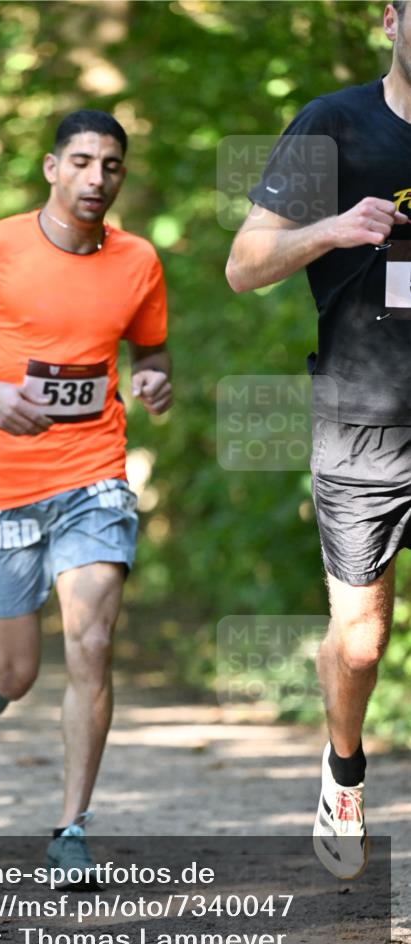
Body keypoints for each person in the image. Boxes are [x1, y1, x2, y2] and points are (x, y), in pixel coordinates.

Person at [0, 109, 171, 885]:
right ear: (52, 169)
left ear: (121, 176)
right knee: (15, 679)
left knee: (90, 640)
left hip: (94, 474)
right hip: (1, 479)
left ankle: (70, 829)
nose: (96, 178)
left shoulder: (138, 261)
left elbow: (149, 349)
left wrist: (155, 376)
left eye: (110, 165)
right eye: (81, 161)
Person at [225, 1, 410, 879]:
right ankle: (343, 775)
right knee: (361, 638)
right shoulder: (332, 126)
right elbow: (243, 265)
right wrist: (334, 228)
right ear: (389, 20)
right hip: (364, 416)